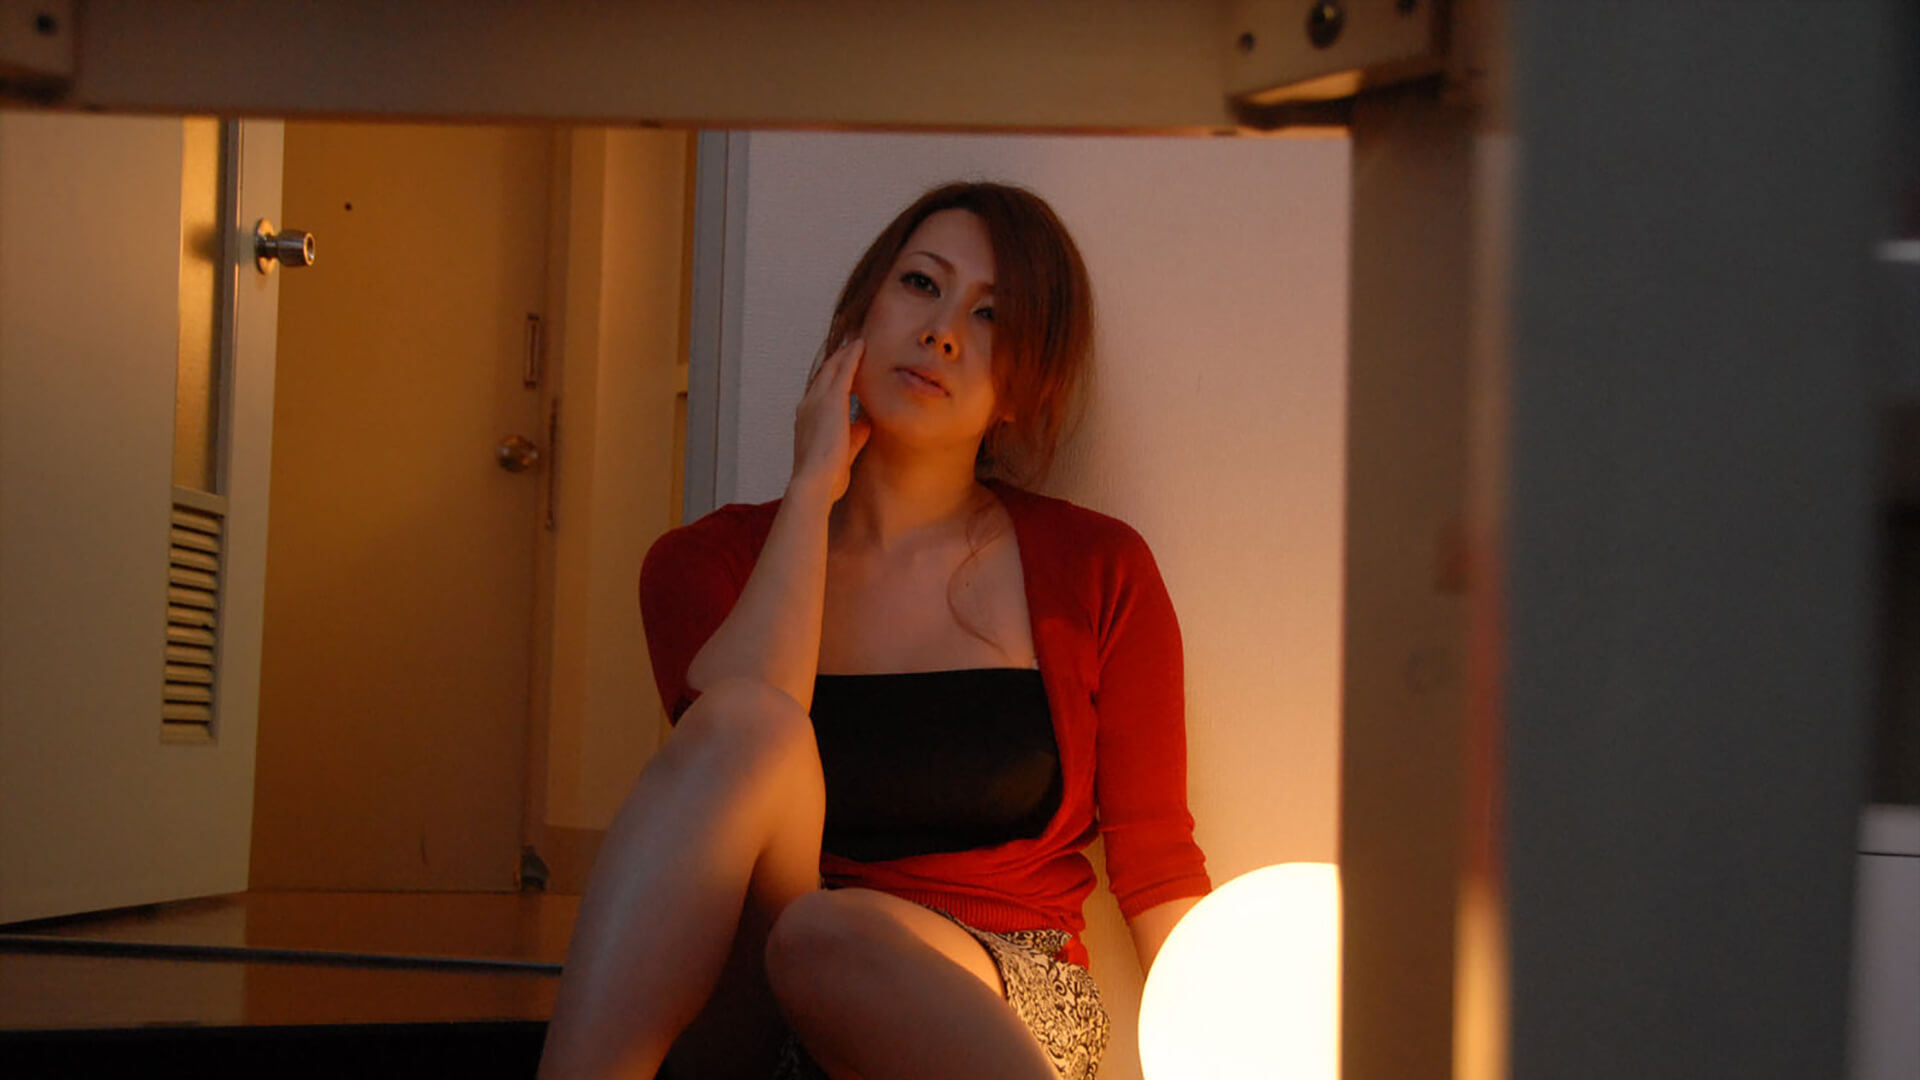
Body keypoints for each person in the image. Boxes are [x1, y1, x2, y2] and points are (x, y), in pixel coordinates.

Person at [538, 181, 1209, 1080]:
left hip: (1000, 992)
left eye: (992, 316)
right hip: (763, 985)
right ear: (862, 313)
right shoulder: (707, 563)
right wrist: (811, 489)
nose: (943, 333)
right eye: (921, 285)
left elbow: (1158, 866)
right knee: (750, 731)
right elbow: (727, 759)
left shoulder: (1098, 569)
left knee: (831, 933)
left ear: (1025, 385)